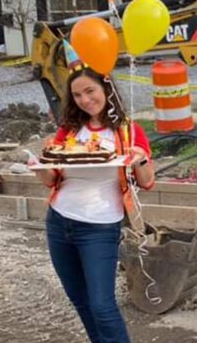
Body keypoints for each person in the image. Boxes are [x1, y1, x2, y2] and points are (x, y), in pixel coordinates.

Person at [31, 41, 154, 343]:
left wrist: (140, 157)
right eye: (77, 95)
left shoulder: (127, 131)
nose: (85, 100)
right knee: (80, 301)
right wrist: (40, 164)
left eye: (90, 91)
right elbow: (51, 180)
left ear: (106, 89)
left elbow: (147, 181)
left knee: (102, 304)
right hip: (59, 222)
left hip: (100, 226)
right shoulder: (69, 131)